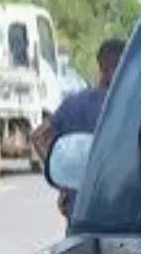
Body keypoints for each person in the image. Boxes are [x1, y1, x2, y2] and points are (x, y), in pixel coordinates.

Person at [33, 39, 126, 218]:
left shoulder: (73, 104)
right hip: (119, 205)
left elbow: (37, 136)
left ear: (101, 66)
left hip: (79, 207)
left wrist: (63, 182)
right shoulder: (131, 105)